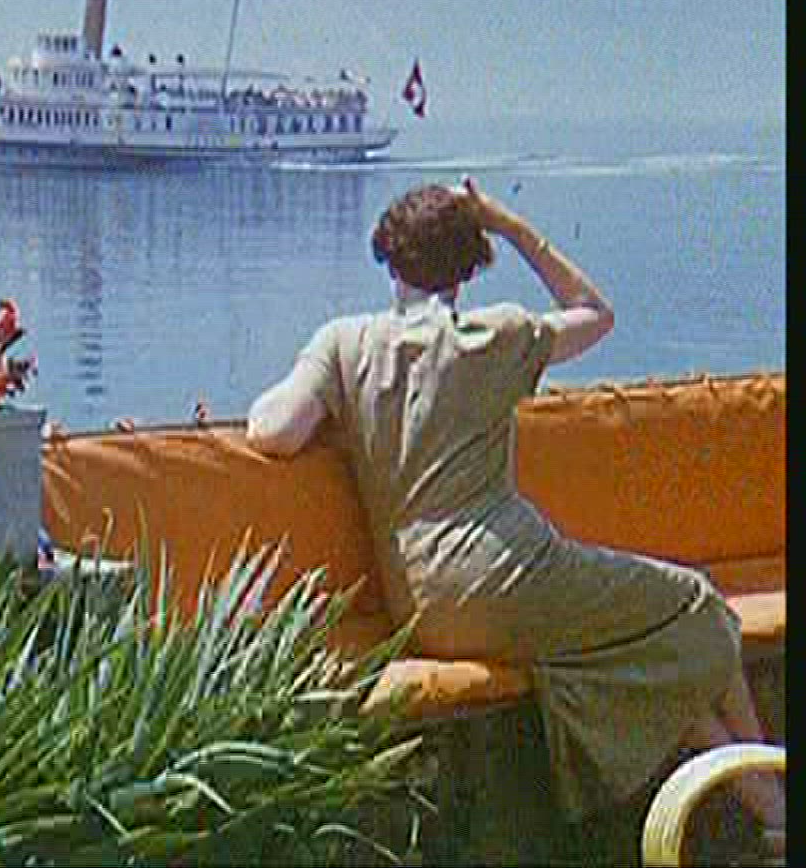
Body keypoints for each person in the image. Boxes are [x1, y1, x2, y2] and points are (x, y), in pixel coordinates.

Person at [246, 178, 785, 851]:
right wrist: (512, 226)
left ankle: (770, 811)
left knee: (653, 660)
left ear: (390, 258)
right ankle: (774, 797)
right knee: (699, 602)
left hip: (423, 608)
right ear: (468, 268)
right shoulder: (494, 335)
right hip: (508, 576)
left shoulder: (343, 343)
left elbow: (272, 431)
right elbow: (594, 313)